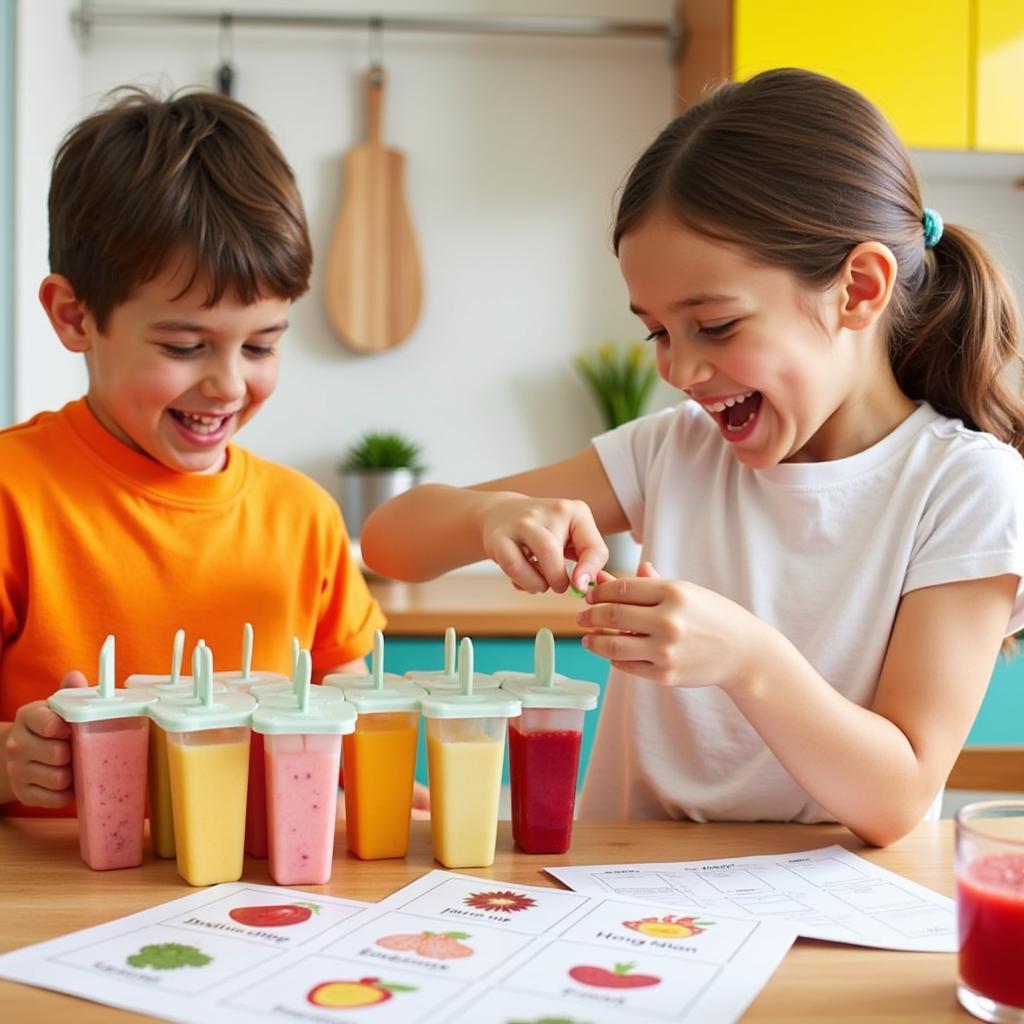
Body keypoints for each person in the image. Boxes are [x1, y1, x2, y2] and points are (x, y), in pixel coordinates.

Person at [362, 68, 1024, 846]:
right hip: (630, 896)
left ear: (859, 289)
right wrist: (487, 517)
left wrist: (748, 662)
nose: (677, 370)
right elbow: (388, 543)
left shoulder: (964, 487)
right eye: (657, 332)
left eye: (714, 324)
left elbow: (897, 797)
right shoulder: (676, 450)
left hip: (839, 911)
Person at [0, 89, 387, 815]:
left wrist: (377, 786)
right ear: (74, 316)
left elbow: (349, 726)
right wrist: (7, 761)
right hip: (60, 902)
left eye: (263, 344)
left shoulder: (303, 516)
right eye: (185, 346)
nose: (229, 384)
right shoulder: (13, 496)